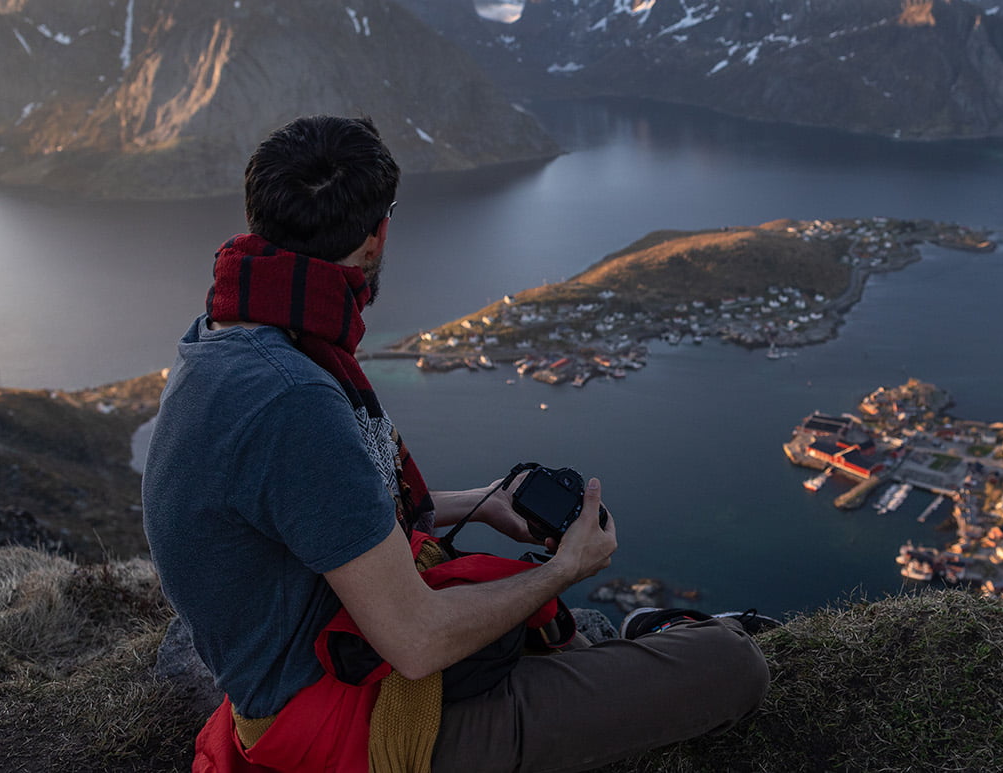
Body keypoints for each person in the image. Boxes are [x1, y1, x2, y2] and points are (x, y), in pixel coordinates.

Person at [142, 115, 770, 773]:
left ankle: (619, 650)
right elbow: (416, 639)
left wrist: (486, 501)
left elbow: (319, 515)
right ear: (375, 237)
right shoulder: (293, 397)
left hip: (302, 671)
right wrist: (564, 568)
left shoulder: (225, 334)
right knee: (734, 664)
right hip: (346, 718)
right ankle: (645, 641)